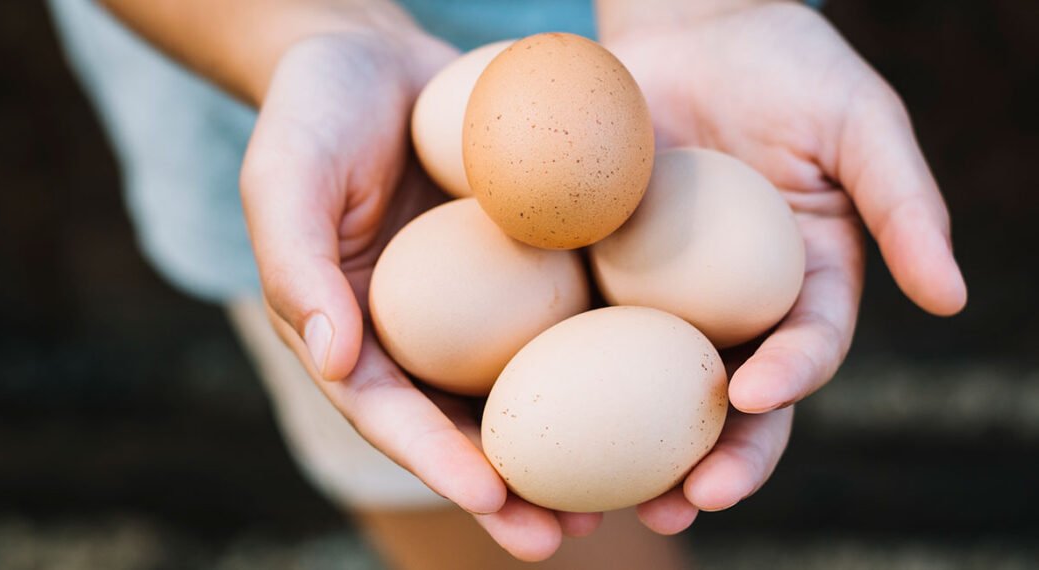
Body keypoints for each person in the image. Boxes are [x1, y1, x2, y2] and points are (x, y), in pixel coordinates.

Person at [47, 0, 968, 567]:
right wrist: (298, 31)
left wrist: (709, 7)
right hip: (305, 121)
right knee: (488, 518)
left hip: (651, 80)